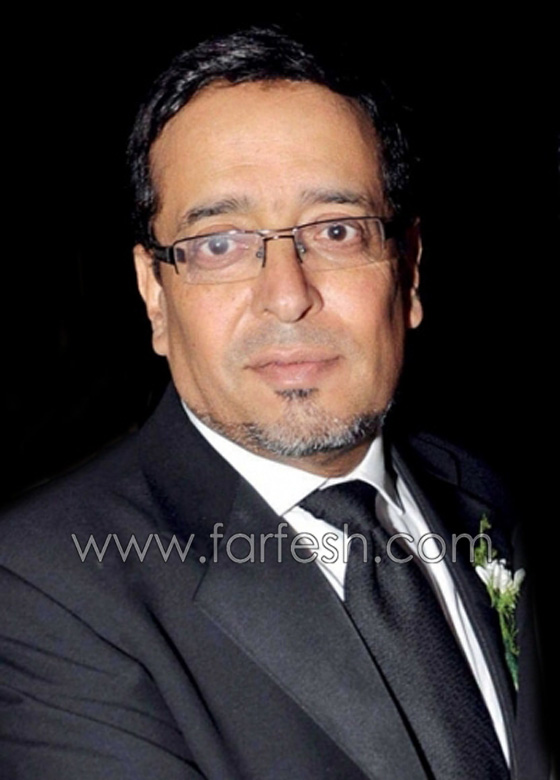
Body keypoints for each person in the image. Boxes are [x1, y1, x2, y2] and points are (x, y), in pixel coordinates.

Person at [0, 27, 549, 779]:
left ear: (409, 271)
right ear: (155, 295)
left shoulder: (488, 493)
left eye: (337, 230)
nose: (287, 296)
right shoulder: (42, 587)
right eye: (219, 244)